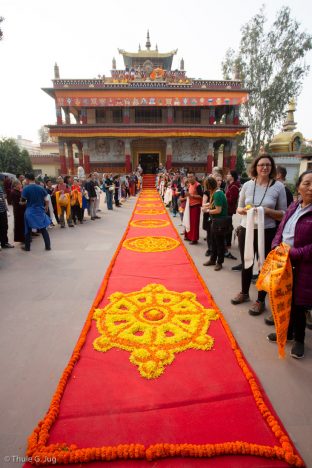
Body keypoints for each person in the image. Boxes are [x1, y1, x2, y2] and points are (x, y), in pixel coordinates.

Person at [231, 154, 287, 314]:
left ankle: (261, 300)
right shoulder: (248, 185)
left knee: (264, 264)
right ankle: (244, 292)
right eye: (261, 164)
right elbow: (238, 207)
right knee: (246, 261)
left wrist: (267, 211)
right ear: (255, 167)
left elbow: (283, 213)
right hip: (246, 229)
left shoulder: (278, 187)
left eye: (268, 165)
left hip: (267, 230)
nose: (264, 167)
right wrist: (242, 210)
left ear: (272, 168)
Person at [267, 170, 312, 359]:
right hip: (283, 260)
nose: (311, 188)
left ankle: (299, 340)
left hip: (304, 264)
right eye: (307, 183)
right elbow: (282, 228)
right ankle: (287, 332)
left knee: (299, 303)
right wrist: (276, 245)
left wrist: (295, 253)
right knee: (284, 297)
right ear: (299, 186)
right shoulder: (294, 206)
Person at [202, 177, 228, 271]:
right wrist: (206, 206)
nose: (205, 187)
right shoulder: (215, 192)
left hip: (219, 222)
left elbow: (218, 210)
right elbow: (213, 204)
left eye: (206, 185)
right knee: (213, 241)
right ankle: (213, 259)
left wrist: (207, 210)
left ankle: (219, 262)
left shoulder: (218, 194)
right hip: (215, 221)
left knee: (219, 243)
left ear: (209, 186)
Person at [20, 173, 51, 251]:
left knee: (28, 229)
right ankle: (48, 246)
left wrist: (23, 202)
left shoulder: (26, 189)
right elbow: (47, 199)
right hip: (40, 210)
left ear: (27, 179)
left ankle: (27, 247)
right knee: (43, 228)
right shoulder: (40, 188)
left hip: (30, 211)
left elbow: (22, 201)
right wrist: (46, 207)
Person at [184, 173, 203, 245]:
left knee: (194, 224)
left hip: (196, 206)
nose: (190, 178)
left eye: (191, 177)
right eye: (188, 177)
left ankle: (194, 239)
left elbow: (201, 196)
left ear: (194, 177)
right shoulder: (189, 185)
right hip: (189, 205)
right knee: (189, 222)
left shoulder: (198, 185)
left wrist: (191, 195)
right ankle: (188, 236)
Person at [0, 183, 14, 249]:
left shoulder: (0, 187)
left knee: (4, 227)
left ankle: (4, 243)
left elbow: (2, 198)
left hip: (3, 211)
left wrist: (6, 208)